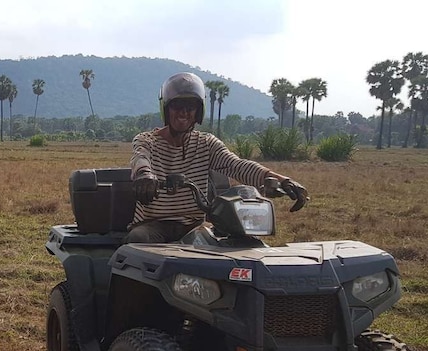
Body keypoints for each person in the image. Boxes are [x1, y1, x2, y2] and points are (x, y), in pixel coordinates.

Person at [127, 72, 309, 243]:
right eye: (177, 106)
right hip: (154, 225)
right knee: (138, 239)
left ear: (198, 111)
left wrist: (282, 180)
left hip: (194, 225)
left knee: (231, 246)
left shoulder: (206, 143)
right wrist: (145, 177)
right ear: (166, 108)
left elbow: (237, 165)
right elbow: (140, 160)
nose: (184, 112)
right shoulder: (146, 140)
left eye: (190, 107)